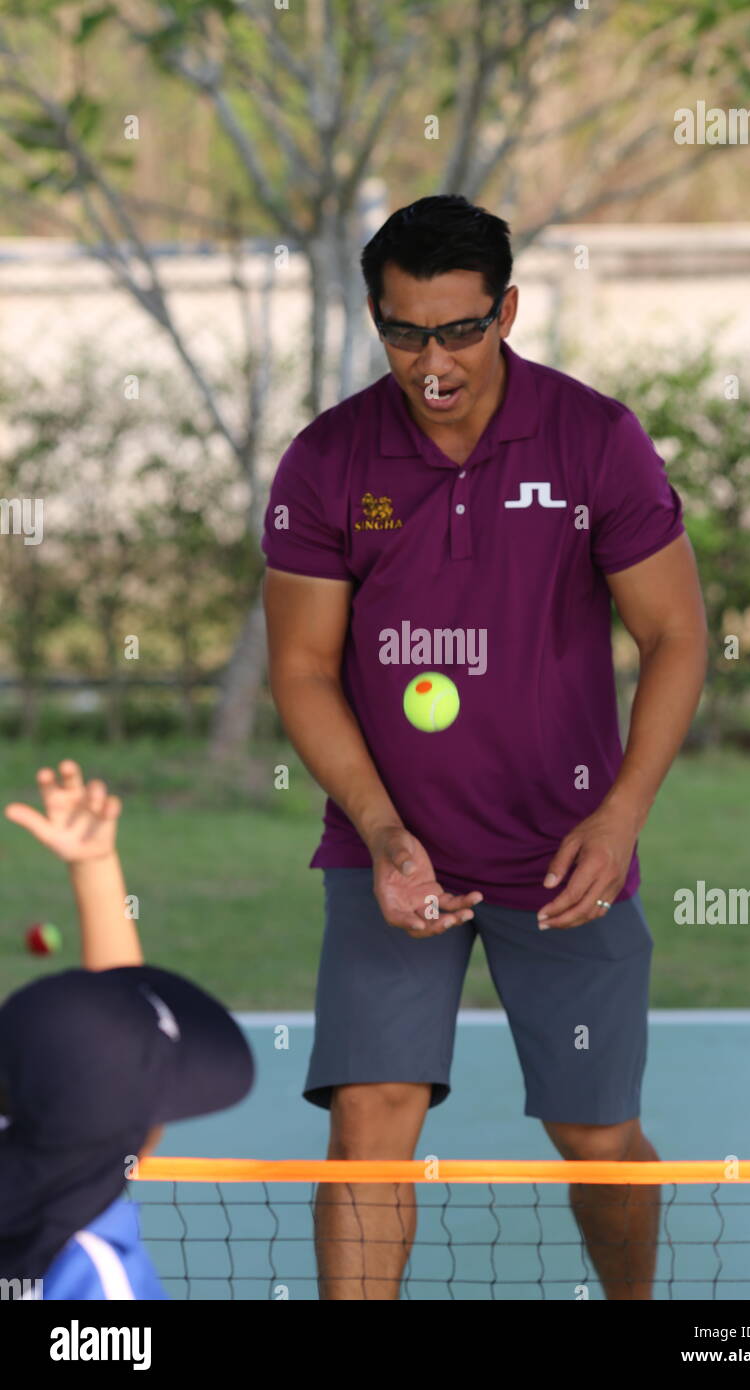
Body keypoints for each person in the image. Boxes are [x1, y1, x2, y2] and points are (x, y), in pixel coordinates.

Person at [260, 194, 707, 1300]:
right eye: (406, 332)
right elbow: (304, 668)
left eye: (459, 328)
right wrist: (379, 831)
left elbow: (675, 633)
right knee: (369, 1123)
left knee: (594, 1137)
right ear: (375, 318)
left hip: (564, 860)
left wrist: (619, 817)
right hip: (393, 855)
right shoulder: (325, 461)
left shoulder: (594, 437)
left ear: (504, 311)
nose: (433, 361)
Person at [0, 760, 254, 1299]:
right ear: (135, 1138)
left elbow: (102, 1038)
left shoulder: (30, 1147)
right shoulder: (96, 1277)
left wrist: (94, 869)